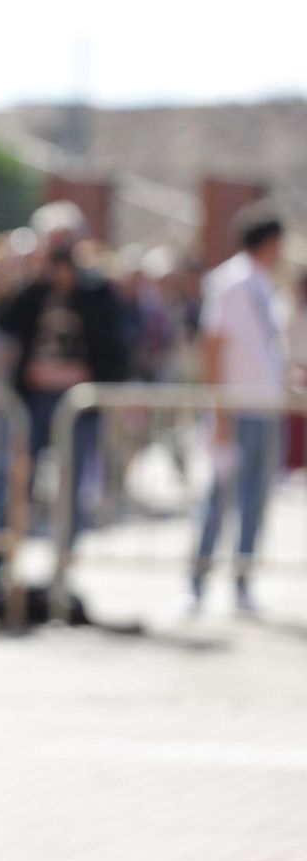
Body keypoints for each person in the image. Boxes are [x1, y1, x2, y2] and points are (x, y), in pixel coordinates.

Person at [190, 205, 288, 613]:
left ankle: (242, 583)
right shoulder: (230, 282)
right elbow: (213, 347)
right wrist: (220, 412)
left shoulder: (264, 284)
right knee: (220, 499)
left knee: (255, 501)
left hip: (264, 407)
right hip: (236, 407)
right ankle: (197, 584)